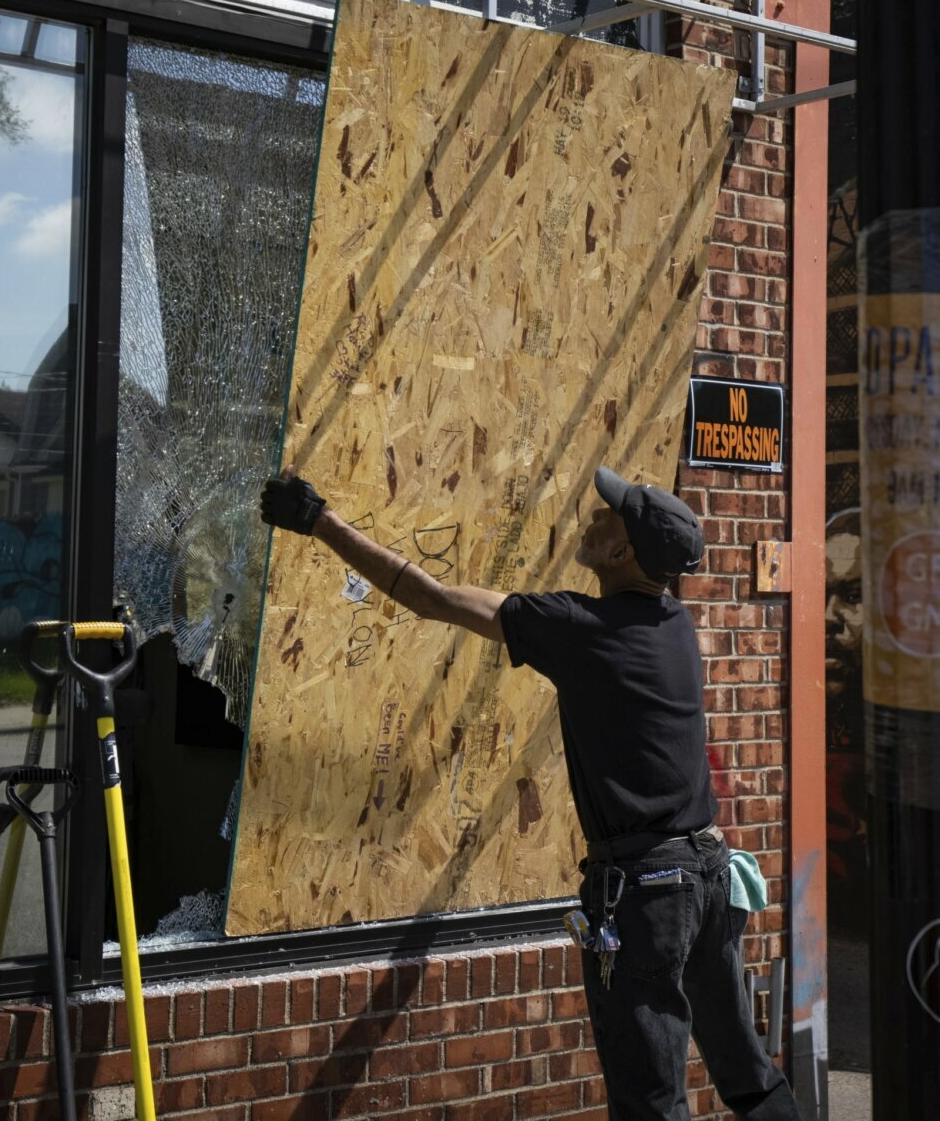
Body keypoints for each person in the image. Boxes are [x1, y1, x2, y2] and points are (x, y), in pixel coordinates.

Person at [260, 465, 797, 1121]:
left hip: (652, 896)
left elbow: (432, 598)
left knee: (651, 1105)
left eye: (608, 515)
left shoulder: (581, 628)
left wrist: (320, 521)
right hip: (710, 877)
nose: (590, 517)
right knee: (749, 1076)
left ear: (623, 553)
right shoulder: (675, 625)